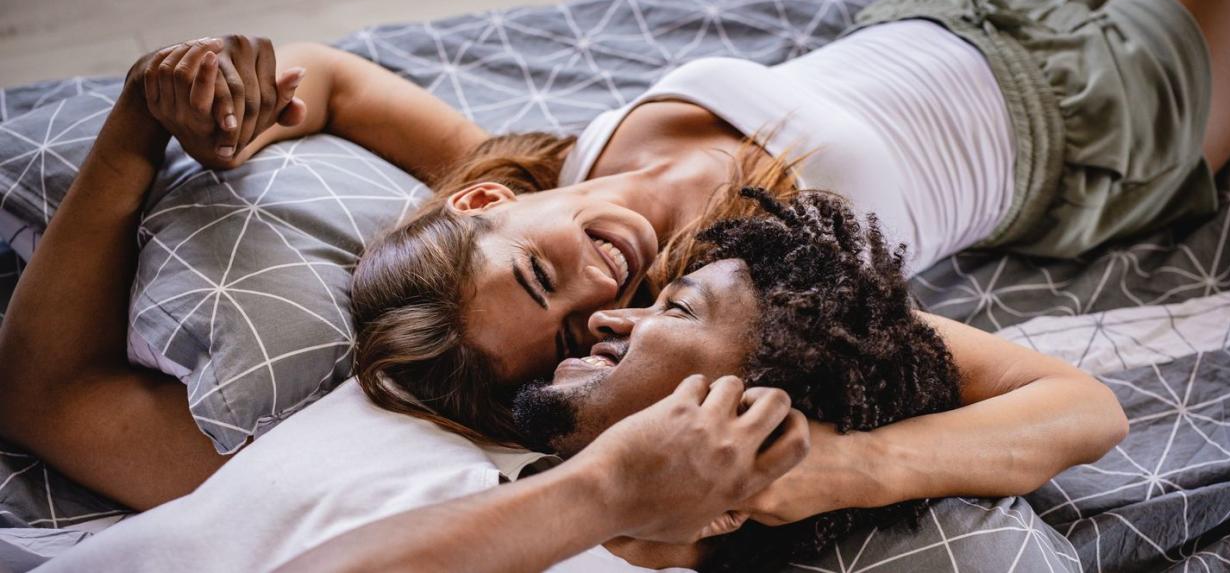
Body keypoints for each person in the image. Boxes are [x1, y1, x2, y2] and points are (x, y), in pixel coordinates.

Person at [0, 56, 808, 572]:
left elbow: (49, 393)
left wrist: (149, 117)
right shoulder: (394, 408)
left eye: (540, 280)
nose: (603, 295)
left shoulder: (466, 389)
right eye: (560, 316)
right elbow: (48, 397)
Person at [274, 188, 1117, 572]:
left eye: (669, 309)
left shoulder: (775, 313)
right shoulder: (430, 437)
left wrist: (835, 469)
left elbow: (1087, 409)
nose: (610, 304)